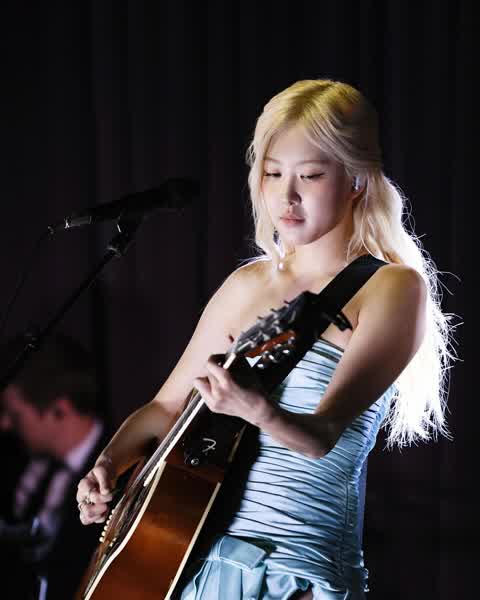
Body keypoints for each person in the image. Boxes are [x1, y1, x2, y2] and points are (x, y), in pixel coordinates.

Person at [76, 79, 453, 599]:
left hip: (297, 574)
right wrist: (108, 463)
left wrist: (254, 409)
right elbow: (165, 408)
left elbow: (323, 435)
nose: (286, 196)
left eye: (311, 176)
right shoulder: (247, 284)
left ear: (357, 180)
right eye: (273, 173)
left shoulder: (392, 287)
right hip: (196, 563)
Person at [0, 333, 110, 600]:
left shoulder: (122, 475)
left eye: (15, 414)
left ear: (59, 411)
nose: (5, 424)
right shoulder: (14, 460)